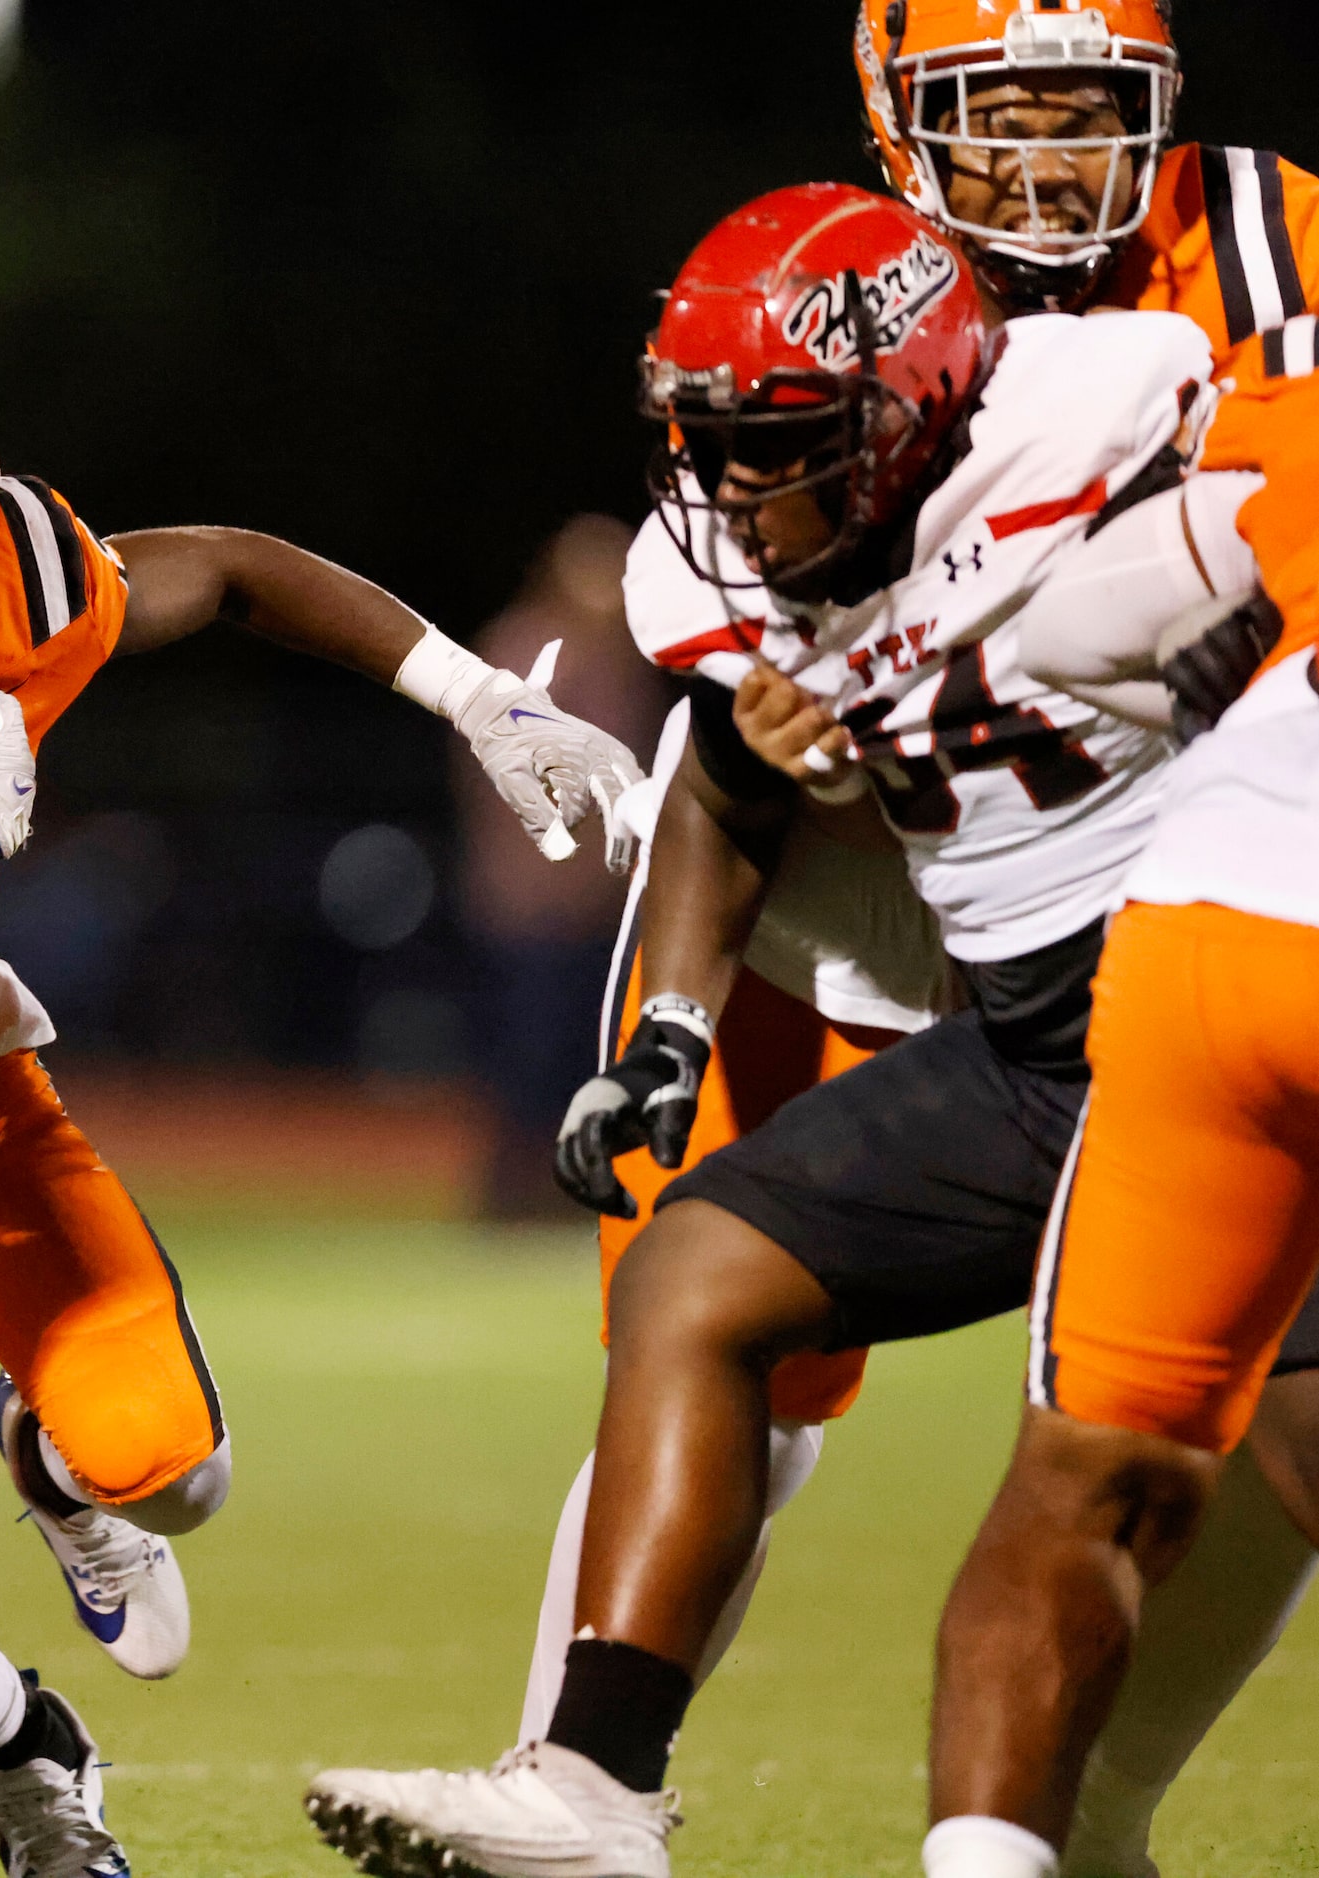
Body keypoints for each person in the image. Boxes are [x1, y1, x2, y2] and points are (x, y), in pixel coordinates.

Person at [390, 4, 1319, 1865]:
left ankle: (1103, 1802)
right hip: (895, 875)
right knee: (704, 1298)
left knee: (1231, 1431)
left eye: (1089, 118)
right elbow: (737, 734)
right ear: (898, 118)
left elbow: (1258, 534)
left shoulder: (1187, 313)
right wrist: (669, 1001)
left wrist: (1069, 621)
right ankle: (573, 1777)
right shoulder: (801, 335)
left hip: (1206, 841)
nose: (1049, 167)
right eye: (999, 117)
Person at [0, 291, 642, 1877]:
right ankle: (31, 1753)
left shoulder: (11, 563)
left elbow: (232, 567)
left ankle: (53, 1458)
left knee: (177, 1468)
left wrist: (471, 698)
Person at [914, 373, 1319, 1878]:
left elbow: (1071, 630)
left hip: (1211, 914)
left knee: (1082, 1476)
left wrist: (1210, 686)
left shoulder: (1298, 416)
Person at [451, 517, 668, 1217]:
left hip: (600, 905)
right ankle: (508, 1200)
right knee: (528, 1053)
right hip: (533, 902)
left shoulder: (622, 670)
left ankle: (566, 1187)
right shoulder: (523, 658)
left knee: (587, 1047)